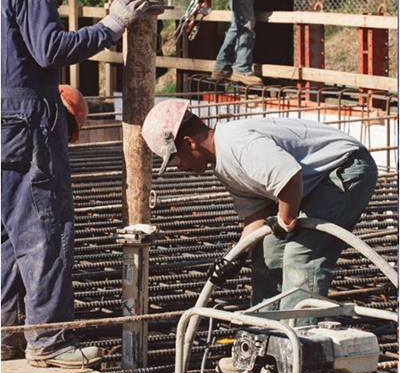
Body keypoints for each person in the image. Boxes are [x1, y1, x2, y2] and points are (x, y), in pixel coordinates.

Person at [1, 0, 151, 368]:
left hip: (5, 119)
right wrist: (109, 28)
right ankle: (49, 340)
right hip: (27, 121)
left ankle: (6, 338)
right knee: (44, 230)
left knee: (8, 238)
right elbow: (49, 50)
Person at [142, 100, 378, 322]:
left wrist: (286, 220)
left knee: (302, 253)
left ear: (188, 142)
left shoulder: (237, 143)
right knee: (267, 250)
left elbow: (288, 177)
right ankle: (262, 338)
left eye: (175, 161)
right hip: (312, 184)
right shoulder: (223, 166)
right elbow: (256, 216)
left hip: (345, 168)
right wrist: (234, 256)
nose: (181, 167)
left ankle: (302, 341)